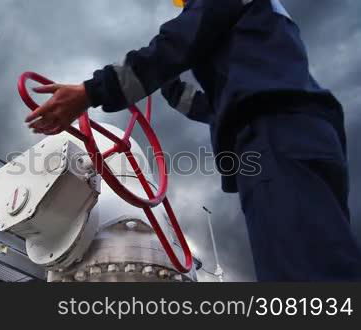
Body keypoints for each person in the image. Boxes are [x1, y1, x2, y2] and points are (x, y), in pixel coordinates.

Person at [26, 0, 361, 281]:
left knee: (301, 269)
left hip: (272, 137)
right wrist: (170, 87)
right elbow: (214, 106)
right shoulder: (262, 27)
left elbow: (176, 44)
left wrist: (89, 92)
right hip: (302, 135)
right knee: (322, 253)